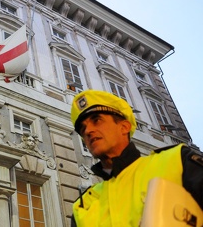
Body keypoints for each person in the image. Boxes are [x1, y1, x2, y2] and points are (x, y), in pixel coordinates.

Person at [70, 89, 203, 227]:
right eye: (82, 128)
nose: (87, 131)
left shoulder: (176, 160)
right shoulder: (83, 206)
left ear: (124, 127)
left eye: (96, 120)